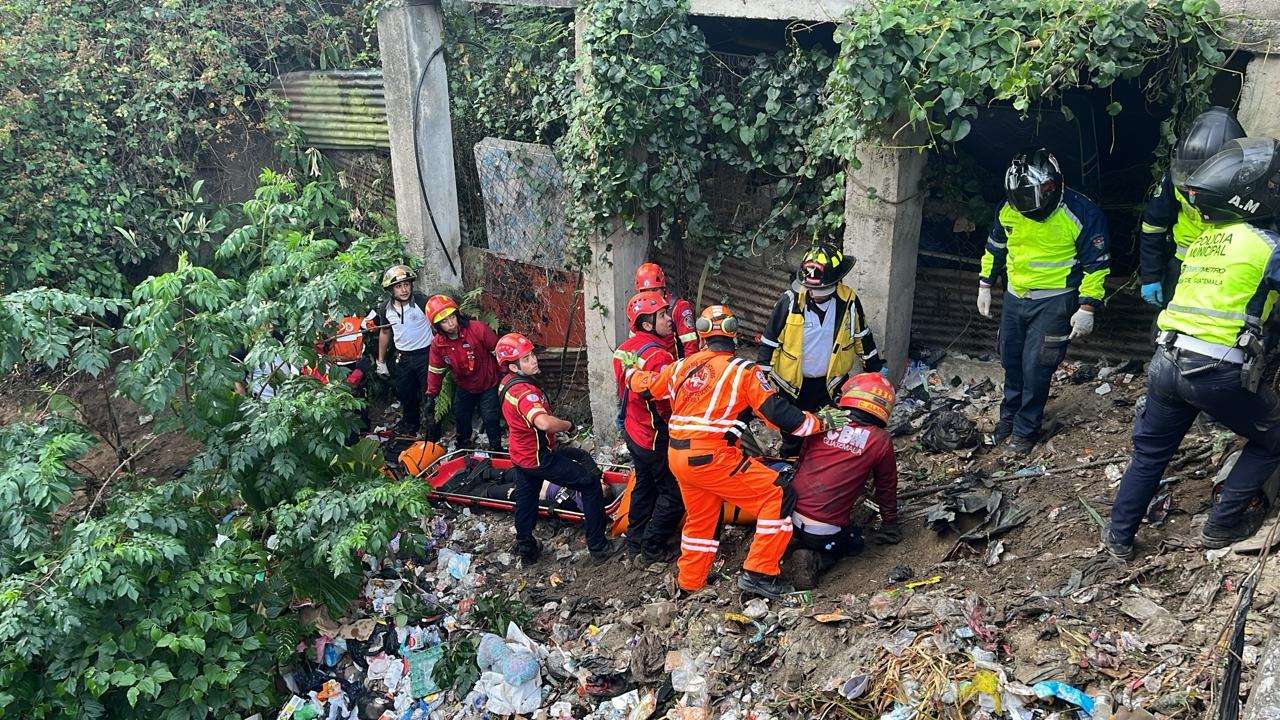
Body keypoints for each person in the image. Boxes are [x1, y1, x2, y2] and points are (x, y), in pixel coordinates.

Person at [1104, 137, 1280, 560]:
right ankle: (1222, 525)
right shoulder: (1269, 246)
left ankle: (1118, 537)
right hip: (1215, 371)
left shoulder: (1205, 241)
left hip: (1166, 360)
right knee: (1274, 439)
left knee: (1149, 453)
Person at [622, 305, 851, 599]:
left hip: (678, 456)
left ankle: (690, 582)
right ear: (733, 333)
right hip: (712, 456)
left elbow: (649, 386)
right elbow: (779, 414)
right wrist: (820, 422)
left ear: (703, 335)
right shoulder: (743, 371)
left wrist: (630, 373)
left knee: (701, 518)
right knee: (777, 494)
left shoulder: (682, 366)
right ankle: (759, 572)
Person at [977, 148, 1110, 455]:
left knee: (1037, 367)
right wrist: (985, 284)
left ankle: (1025, 431)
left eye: (1029, 196)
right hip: (1015, 297)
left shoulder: (1082, 213)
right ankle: (1007, 420)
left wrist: (1087, 306)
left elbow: (1096, 265)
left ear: (1050, 187)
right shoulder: (1008, 208)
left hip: (1055, 301)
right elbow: (994, 248)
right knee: (1011, 361)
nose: (1024, 204)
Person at [496, 332, 622, 565]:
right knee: (589, 483)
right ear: (513, 367)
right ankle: (598, 546)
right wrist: (568, 425)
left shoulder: (506, 384)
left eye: (532, 355)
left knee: (527, 499)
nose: (533, 360)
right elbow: (543, 422)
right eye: (526, 359)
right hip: (539, 457)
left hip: (521, 455)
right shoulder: (525, 392)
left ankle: (526, 547)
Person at [758, 242, 882, 457]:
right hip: (792, 385)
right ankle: (791, 467)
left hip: (830, 385)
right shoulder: (789, 301)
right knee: (794, 432)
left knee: (830, 430)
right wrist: (760, 379)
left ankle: (820, 467)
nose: (814, 294)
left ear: (836, 283)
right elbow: (770, 341)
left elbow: (863, 336)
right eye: (811, 289)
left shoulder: (848, 300)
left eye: (821, 290)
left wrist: (875, 372)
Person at [788, 372, 900, 589]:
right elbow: (886, 487)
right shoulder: (880, 440)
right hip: (823, 533)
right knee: (855, 543)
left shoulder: (824, 420)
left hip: (788, 515)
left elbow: (801, 460)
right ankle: (818, 561)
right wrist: (890, 523)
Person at [1138, 107, 1246, 308]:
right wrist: (1151, 276)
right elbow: (1153, 227)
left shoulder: (1248, 182)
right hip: (1183, 266)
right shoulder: (1176, 179)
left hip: (1229, 269)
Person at [611, 290, 682, 563]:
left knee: (644, 486)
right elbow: (666, 404)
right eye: (663, 315)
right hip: (653, 436)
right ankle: (652, 548)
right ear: (647, 323)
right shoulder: (659, 358)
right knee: (673, 493)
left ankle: (635, 538)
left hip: (633, 429)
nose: (669, 319)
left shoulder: (623, 349)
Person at [423, 294, 504, 450]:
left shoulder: (477, 329)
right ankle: (463, 448)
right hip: (464, 386)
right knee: (461, 417)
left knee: (490, 418)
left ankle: (497, 450)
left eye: (452, 317)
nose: (451, 323)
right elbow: (435, 370)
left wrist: (504, 379)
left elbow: (499, 353)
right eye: (444, 322)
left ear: (457, 315)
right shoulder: (438, 345)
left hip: (488, 383)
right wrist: (431, 395)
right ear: (438, 326)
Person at [374, 265, 435, 436]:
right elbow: (384, 332)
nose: (404, 290)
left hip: (426, 355)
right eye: (399, 286)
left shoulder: (422, 302)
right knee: (405, 393)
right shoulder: (385, 309)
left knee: (429, 393)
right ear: (391, 290)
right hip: (403, 357)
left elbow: (436, 325)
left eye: (406, 284)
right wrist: (381, 361)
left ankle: (432, 428)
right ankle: (411, 425)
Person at [634, 262, 699, 359]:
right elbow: (633, 344)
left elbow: (691, 348)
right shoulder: (637, 308)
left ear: (663, 288)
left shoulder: (679, 307)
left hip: (673, 368)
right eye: (645, 291)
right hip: (650, 366)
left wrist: (687, 371)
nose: (650, 295)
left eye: (655, 290)